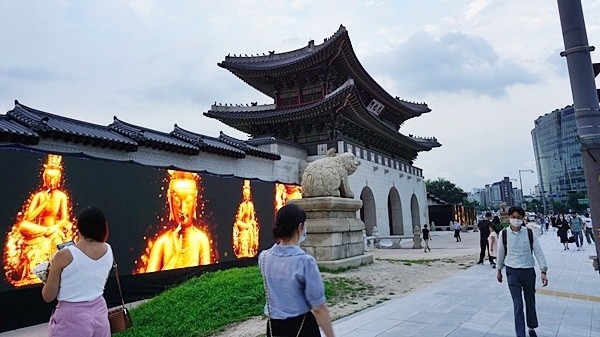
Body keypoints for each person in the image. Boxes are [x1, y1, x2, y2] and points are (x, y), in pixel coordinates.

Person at [258, 204, 335, 337]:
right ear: (300, 227)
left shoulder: (264, 257)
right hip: (302, 327)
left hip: (274, 328)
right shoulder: (305, 262)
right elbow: (318, 307)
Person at [43, 206, 114, 337]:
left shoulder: (64, 255)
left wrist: (47, 274)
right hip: (99, 313)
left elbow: (48, 296)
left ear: (78, 227)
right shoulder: (108, 250)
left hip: (71, 318)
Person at [497, 206, 548, 337]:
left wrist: (543, 270)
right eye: (513, 217)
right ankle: (520, 333)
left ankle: (531, 326)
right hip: (512, 271)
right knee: (518, 303)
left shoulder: (529, 233)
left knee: (530, 300)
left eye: (518, 218)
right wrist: (498, 270)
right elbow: (500, 253)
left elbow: (538, 251)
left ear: (523, 218)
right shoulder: (503, 234)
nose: (515, 220)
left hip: (528, 271)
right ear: (509, 218)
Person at [146, 170, 211, 272]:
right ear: (170, 202)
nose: (182, 209)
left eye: (188, 201)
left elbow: (207, 277)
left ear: (195, 202)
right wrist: (174, 257)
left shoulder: (201, 240)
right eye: (176, 202)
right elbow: (149, 280)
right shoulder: (162, 243)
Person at [233, 180, 259, 258]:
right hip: (243, 225)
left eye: (247, 194)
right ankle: (243, 251)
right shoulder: (242, 205)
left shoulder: (251, 205)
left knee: (250, 229)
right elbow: (239, 219)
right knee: (238, 224)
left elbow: (252, 218)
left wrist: (249, 224)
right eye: (245, 194)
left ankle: (249, 250)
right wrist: (244, 210)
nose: (246, 196)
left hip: (249, 225)